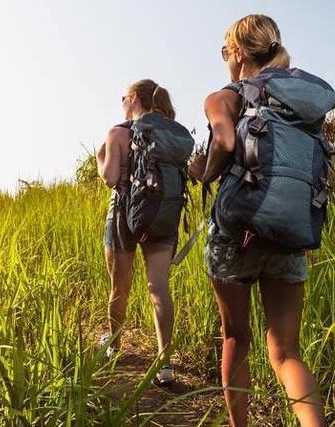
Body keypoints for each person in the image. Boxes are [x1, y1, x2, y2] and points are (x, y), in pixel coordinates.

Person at [188, 14, 333, 426]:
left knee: (236, 337)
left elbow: (226, 139)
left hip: (236, 234)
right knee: (286, 353)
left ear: (237, 52)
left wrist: (205, 172)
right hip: (290, 232)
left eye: (224, 51)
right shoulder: (302, 104)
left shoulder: (227, 95)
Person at [96, 79, 193, 386]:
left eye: (123, 97)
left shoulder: (119, 132)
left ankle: (114, 343)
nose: (122, 102)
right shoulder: (168, 134)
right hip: (162, 213)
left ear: (134, 98)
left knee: (119, 285)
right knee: (159, 287)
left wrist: (100, 160)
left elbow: (111, 177)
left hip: (125, 212)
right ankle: (165, 365)